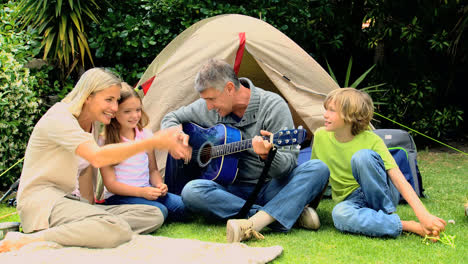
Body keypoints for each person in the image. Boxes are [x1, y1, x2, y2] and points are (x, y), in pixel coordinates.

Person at [0, 68, 191, 252]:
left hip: (71, 202)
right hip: (45, 202)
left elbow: (85, 171)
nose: (114, 108)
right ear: (88, 96)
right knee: (117, 228)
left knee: (153, 215)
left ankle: (90, 228)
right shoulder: (60, 119)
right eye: (109, 100)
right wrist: (154, 141)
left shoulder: (90, 125)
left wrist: (88, 207)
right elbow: (97, 158)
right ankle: (31, 239)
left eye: (116, 101)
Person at [161, 58, 329, 243]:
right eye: (205, 100)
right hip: (229, 192)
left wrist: (268, 155)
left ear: (230, 88)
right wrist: (176, 136)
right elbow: (171, 117)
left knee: (318, 168)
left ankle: (259, 220)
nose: (208, 107)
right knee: (192, 191)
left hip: (269, 186)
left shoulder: (273, 106)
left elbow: (286, 167)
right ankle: (278, 215)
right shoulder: (207, 108)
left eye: (211, 99)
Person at [311, 87, 447, 239]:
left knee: (362, 157)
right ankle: (406, 225)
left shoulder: (372, 140)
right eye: (326, 109)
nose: (325, 115)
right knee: (339, 215)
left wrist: (424, 215)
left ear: (350, 116)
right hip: (350, 200)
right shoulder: (320, 136)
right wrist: (310, 209)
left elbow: (398, 179)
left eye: (331, 110)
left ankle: (385, 215)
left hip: (381, 193)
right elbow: (319, 176)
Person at [100, 83, 186, 222]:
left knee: (182, 207)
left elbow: (153, 170)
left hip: (146, 191)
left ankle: (149, 210)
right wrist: (141, 192)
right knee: (160, 210)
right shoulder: (105, 141)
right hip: (120, 196)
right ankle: (116, 214)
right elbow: (111, 184)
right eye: (127, 111)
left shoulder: (145, 135)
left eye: (138, 110)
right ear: (115, 112)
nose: (135, 116)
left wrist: (159, 185)